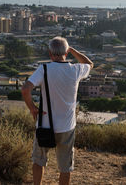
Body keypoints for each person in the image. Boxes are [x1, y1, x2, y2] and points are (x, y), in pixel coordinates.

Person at [21, 36, 93, 185]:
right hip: (67, 127)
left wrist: (33, 109)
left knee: (39, 161)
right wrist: (73, 50)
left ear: (49, 53)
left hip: (45, 125)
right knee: (65, 167)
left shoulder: (44, 69)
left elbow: (25, 89)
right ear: (65, 53)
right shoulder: (76, 69)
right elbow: (89, 64)